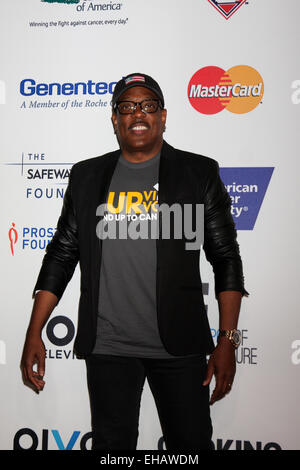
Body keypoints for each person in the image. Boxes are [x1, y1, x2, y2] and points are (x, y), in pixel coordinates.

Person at [21, 72, 248, 451]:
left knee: (191, 447)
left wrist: (226, 340)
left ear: (162, 116)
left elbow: (226, 258)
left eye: (147, 105)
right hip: (109, 348)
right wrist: (34, 331)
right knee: (113, 448)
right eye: (126, 106)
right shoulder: (86, 176)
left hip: (180, 347)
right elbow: (61, 254)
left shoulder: (198, 173)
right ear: (115, 119)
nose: (137, 113)